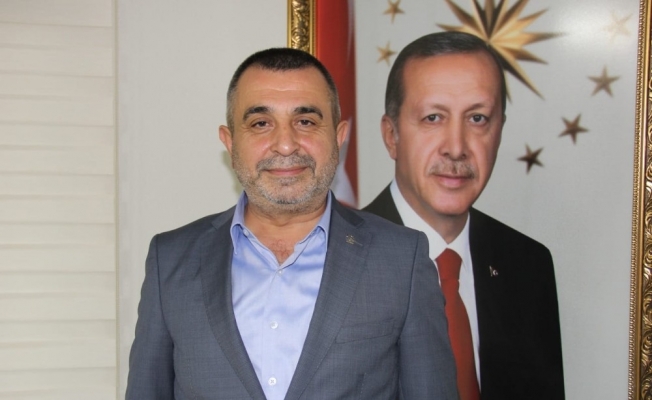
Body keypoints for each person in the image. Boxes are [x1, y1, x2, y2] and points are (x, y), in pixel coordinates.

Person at [125, 47, 458, 400]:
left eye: (306, 122)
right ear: (230, 142)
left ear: (339, 136)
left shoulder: (402, 259)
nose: (285, 145)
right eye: (260, 123)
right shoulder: (170, 261)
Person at [364, 32, 564, 400]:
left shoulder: (528, 264)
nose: (456, 147)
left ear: (499, 131)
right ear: (391, 136)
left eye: (477, 118)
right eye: (433, 117)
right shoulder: (337, 262)